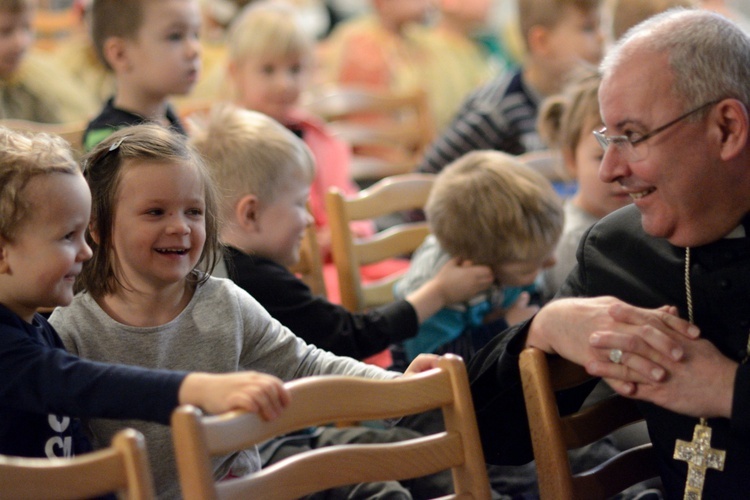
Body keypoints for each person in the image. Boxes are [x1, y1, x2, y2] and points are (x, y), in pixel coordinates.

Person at [48, 124, 439, 499]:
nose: (181, 227)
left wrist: (396, 386)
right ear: (97, 228)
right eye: (155, 212)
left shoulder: (224, 303)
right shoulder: (70, 330)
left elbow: (308, 365)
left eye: (194, 212)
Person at [468, 8, 750, 498]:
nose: (609, 170)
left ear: (726, 128)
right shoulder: (619, 250)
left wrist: (729, 390)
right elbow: (489, 436)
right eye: (607, 139)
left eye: (633, 137)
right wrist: (545, 329)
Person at [0, 125, 295, 460]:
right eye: (68, 236)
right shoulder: (42, 338)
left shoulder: (40, 332)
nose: (85, 252)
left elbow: (79, 451)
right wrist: (195, 389)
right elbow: (84, 384)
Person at [192, 104, 494, 361]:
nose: (310, 221)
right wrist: (439, 291)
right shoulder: (258, 282)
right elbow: (353, 338)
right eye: (300, 204)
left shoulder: (209, 266)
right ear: (251, 214)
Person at [215, 0, 369, 259]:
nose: (284, 83)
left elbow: (347, 199)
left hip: (340, 259)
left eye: (295, 69)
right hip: (281, 270)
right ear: (236, 73)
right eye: (268, 70)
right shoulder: (226, 145)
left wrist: (350, 229)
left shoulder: (317, 137)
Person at [394, 150, 563, 365]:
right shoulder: (438, 291)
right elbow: (436, 365)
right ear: (478, 267)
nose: (552, 263)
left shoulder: (514, 254)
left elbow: (533, 298)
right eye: (528, 269)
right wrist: (504, 327)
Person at [417, 0, 604, 174]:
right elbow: (426, 179)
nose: (601, 37)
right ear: (542, 41)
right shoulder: (494, 110)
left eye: (600, 26)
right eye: (587, 28)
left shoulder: (587, 102)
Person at [537, 68, 632, 300]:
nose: (621, 171)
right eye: (601, 157)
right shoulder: (576, 243)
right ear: (571, 159)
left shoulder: (630, 221)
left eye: (632, 152)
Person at [81, 0, 201, 151]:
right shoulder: (111, 144)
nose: (195, 49)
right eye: (175, 36)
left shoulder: (169, 119)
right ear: (120, 54)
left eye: (196, 34)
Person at [0, 0, 98, 122]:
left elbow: (75, 122)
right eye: (5, 31)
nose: (20, 42)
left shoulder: (36, 78)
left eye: (27, 27)